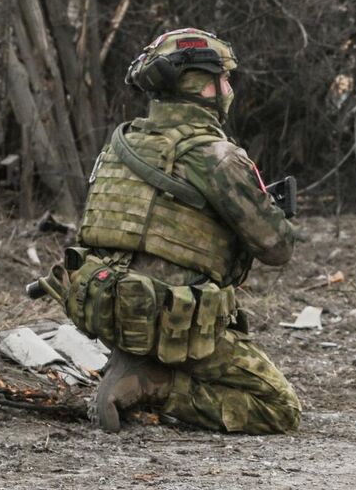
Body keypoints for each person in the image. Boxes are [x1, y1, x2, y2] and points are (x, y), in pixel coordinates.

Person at [38, 28, 301, 434]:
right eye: (225, 78)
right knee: (279, 407)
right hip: (169, 318)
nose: (229, 87)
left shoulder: (121, 143)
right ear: (203, 85)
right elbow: (276, 248)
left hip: (106, 308)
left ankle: (136, 360)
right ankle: (154, 382)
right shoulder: (216, 154)